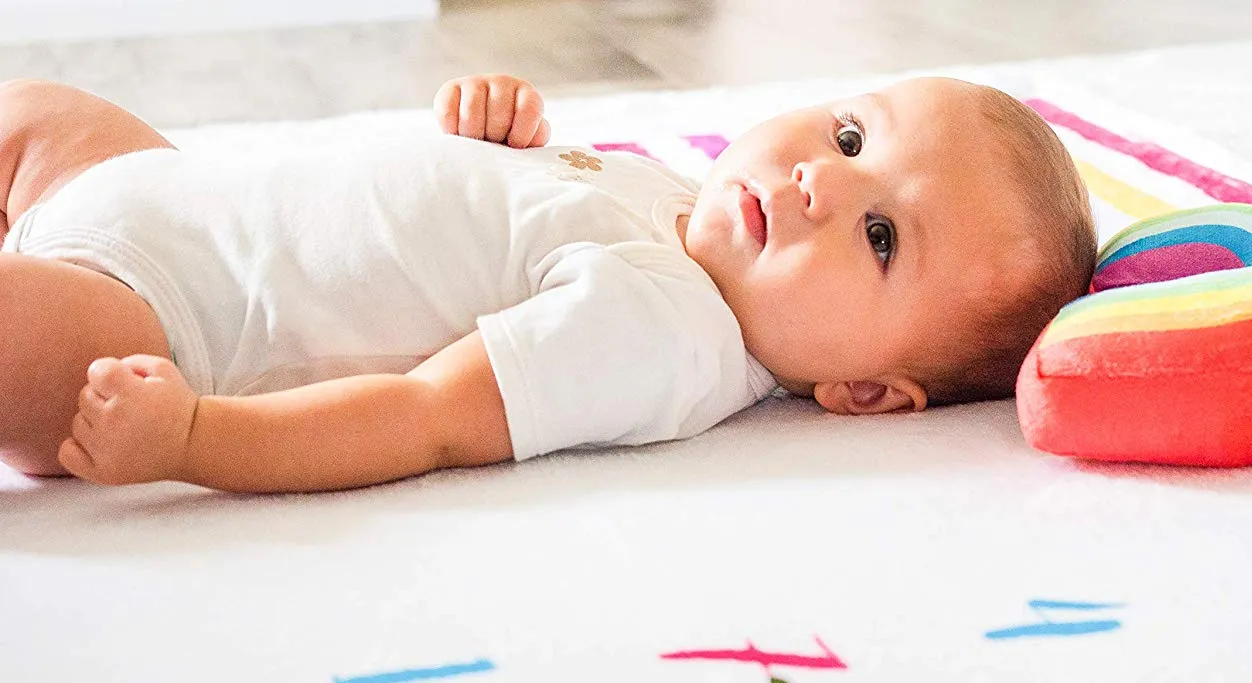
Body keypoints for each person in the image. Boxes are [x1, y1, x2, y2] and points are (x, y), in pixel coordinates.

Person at [0, 72, 1095, 492]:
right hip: (172, 196)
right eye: (853, 133)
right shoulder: (677, 200)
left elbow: (423, 417)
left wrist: (190, 438)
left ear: (867, 393)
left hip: (162, 322)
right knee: (31, 111)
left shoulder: (666, 331)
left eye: (880, 236)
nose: (818, 180)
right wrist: (496, 136)